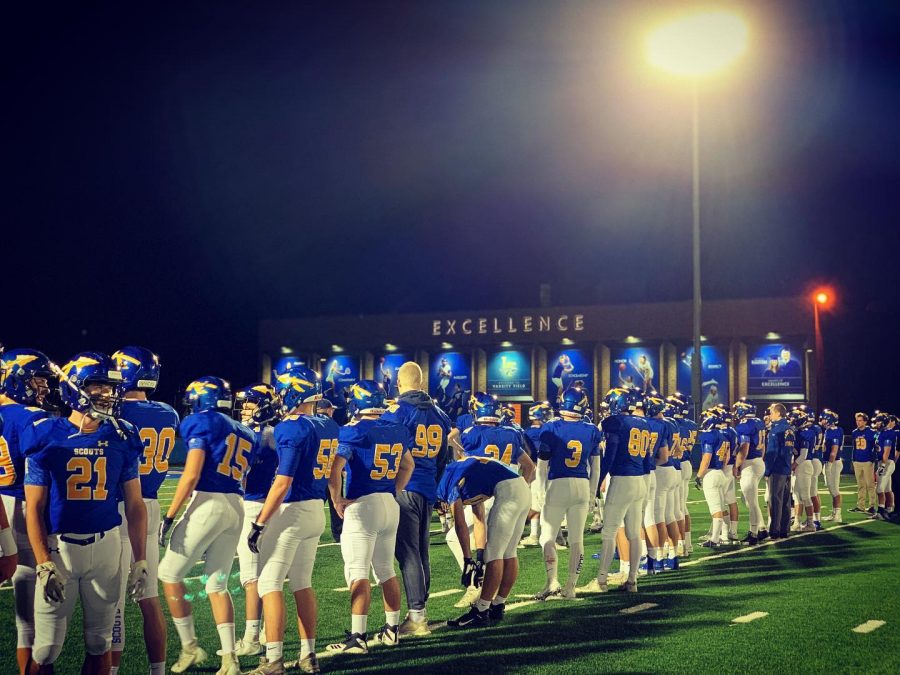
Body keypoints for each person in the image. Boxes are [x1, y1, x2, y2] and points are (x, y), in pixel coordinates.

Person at [24, 352, 149, 675]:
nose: (107, 394)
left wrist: (141, 558)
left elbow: (135, 506)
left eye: (110, 387)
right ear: (75, 388)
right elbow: (34, 509)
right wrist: (43, 563)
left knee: (99, 642)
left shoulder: (122, 434)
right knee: (47, 647)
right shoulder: (45, 434)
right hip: (59, 549)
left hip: (107, 546)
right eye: (98, 386)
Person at [157, 376, 257, 675]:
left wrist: (170, 516)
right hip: (235, 504)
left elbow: (190, 475)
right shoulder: (245, 431)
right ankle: (230, 658)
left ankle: (190, 646)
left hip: (209, 502)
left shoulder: (201, 422)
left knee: (169, 573)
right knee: (217, 584)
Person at [244, 366, 340, 675]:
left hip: (293, 509)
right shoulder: (328, 424)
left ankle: (273, 661)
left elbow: (282, 482)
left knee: (269, 584)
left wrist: (259, 522)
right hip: (316, 510)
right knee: (302, 583)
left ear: (293, 391)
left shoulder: (291, 427)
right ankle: (308, 656)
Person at [326, 380, 415, 654]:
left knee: (358, 570)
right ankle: (391, 630)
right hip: (390, 503)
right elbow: (408, 465)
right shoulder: (396, 428)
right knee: (386, 568)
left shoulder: (351, 431)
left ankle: (358, 637)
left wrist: (337, 499)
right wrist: (392, 489)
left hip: (363, 505)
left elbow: (334, 470)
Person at [110, 346, 180, 675]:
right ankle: (159, 671)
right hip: (151, 504)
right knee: (149, 598)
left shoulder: (116, 413)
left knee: (115, 605)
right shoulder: (168, 413)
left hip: (122, 506)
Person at [380, 362, 452, 637]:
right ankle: (421, 610)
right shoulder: (440, 414)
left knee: (408, 553)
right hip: (427, 486)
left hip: (404, 485)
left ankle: (417, 617)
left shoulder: (397, 413)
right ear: (421, 383)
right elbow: (444, 457)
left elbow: (387, 449)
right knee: (421, 552)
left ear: (398, 383)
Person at [0, 348, 53, 675]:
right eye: (38, 378)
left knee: (24, 618)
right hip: (26, 511)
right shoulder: (31, 417)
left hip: (1, 509)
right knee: (41, 617)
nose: (43, 386)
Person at [439, 455, 531, 628]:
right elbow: (478, 516)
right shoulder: (462, 473)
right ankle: (498, 605)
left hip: (508, 492)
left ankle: (481, 612)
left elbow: (460, 524)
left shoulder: (446, 479)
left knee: (494, 554)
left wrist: (468, 560)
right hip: (521, 488)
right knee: (509, 552)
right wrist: (478, 554)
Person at [532, 388, 602, 600]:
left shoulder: (552, 427)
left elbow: (542, 466)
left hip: (558, 483)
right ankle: (571, 587)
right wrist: (591, 495)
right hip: (581, 484)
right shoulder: (591, 429)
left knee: (547, 537)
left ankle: (552, 582)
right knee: (577, 539)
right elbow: (596, 467)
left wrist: (541, 492)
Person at [580, 387, 649, 594]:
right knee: (634, 533)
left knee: (609, 532)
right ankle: (632, 580)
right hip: (640, 480)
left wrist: (599, 480)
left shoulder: (615, 423)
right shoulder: (643, 423)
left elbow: (610, 455)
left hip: (622, 480)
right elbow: (646, 459)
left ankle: (601, 581)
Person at [231, 384, 281, 659]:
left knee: (251, 577)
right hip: (274, 508)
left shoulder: (253, 436)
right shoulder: (279, 432)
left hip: (252, 506)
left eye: (250, 403)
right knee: (268, 576)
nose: (245, 408)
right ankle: (264, 630)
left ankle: (251, 638)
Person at [643, 393, 673, 572]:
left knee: (641, 520)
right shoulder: (666, 425)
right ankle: (659, 558)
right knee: (657, 516)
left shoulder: (642, 424)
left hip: (638, 473)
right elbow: (664, 456)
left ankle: (642, 560)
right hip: (657, 471)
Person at [732, 399, 766, 544]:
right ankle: (762, 528)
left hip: (750, 464)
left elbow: (744, 447)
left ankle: (753, 534)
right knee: (747, 499)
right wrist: (760, 459)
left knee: (751, 501)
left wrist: (737, 465)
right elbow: (762, 445)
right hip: (758, 462)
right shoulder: (759, 422)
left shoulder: (745, 425)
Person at [696, 408, 730, 548]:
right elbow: (726, 458)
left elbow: (707, 457)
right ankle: (725, 534)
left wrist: (699, 475)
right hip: (720, 473)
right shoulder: (723, 435)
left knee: (715, 509)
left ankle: (715, 539)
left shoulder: (709, 435)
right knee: (722, 507)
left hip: (711, 474)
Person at [520, 402, 552, 546]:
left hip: (536, 469)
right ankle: (547, 535)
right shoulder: (549, 430)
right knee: (545, 503)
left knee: (536, 504)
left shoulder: (527, 432)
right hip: (550, 469)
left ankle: (536, 535)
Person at [764, 404, 795, 539]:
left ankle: (775, 530)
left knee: (775, 500)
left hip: (777, 469)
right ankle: (784, 529)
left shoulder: (776, 430)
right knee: (786, 500)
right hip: (787, 468)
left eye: (771, 412)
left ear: (777, 413)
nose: (770, 415)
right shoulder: (789, 428)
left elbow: (772, 452)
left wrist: (767, 470)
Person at [820, 409, 844, 522]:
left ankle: (838, 515)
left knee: (834, 490)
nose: (822, 421)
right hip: (832, 462)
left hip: (833, 462)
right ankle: (834, 513)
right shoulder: (832, 430)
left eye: (824, 418)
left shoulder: (832, 431)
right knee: (831, 489)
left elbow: (834, 450)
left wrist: (829, 464)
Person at [850, 412, 876, 513]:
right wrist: (853, 459)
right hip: (857, 461)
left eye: (860, 420)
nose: (858, 422)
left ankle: (872, 506)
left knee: (870, 484)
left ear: (865, 421)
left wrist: (873, 459)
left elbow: (875, 446)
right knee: (860, 484)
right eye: (857, 420)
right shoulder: (854, 432)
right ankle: (860, 506)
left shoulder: (871, 432)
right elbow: (854, 447)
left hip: (867, 461)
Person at [874, 414, 896, 520]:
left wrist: (883, 464)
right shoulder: (881, 432)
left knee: (879, 488)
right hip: (883, 461)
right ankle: (889, 509)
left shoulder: (888, 433)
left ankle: (881, 511)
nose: (876, 423)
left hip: (886, 462)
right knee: (887, 488)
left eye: (878, 421)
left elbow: (887, 450)